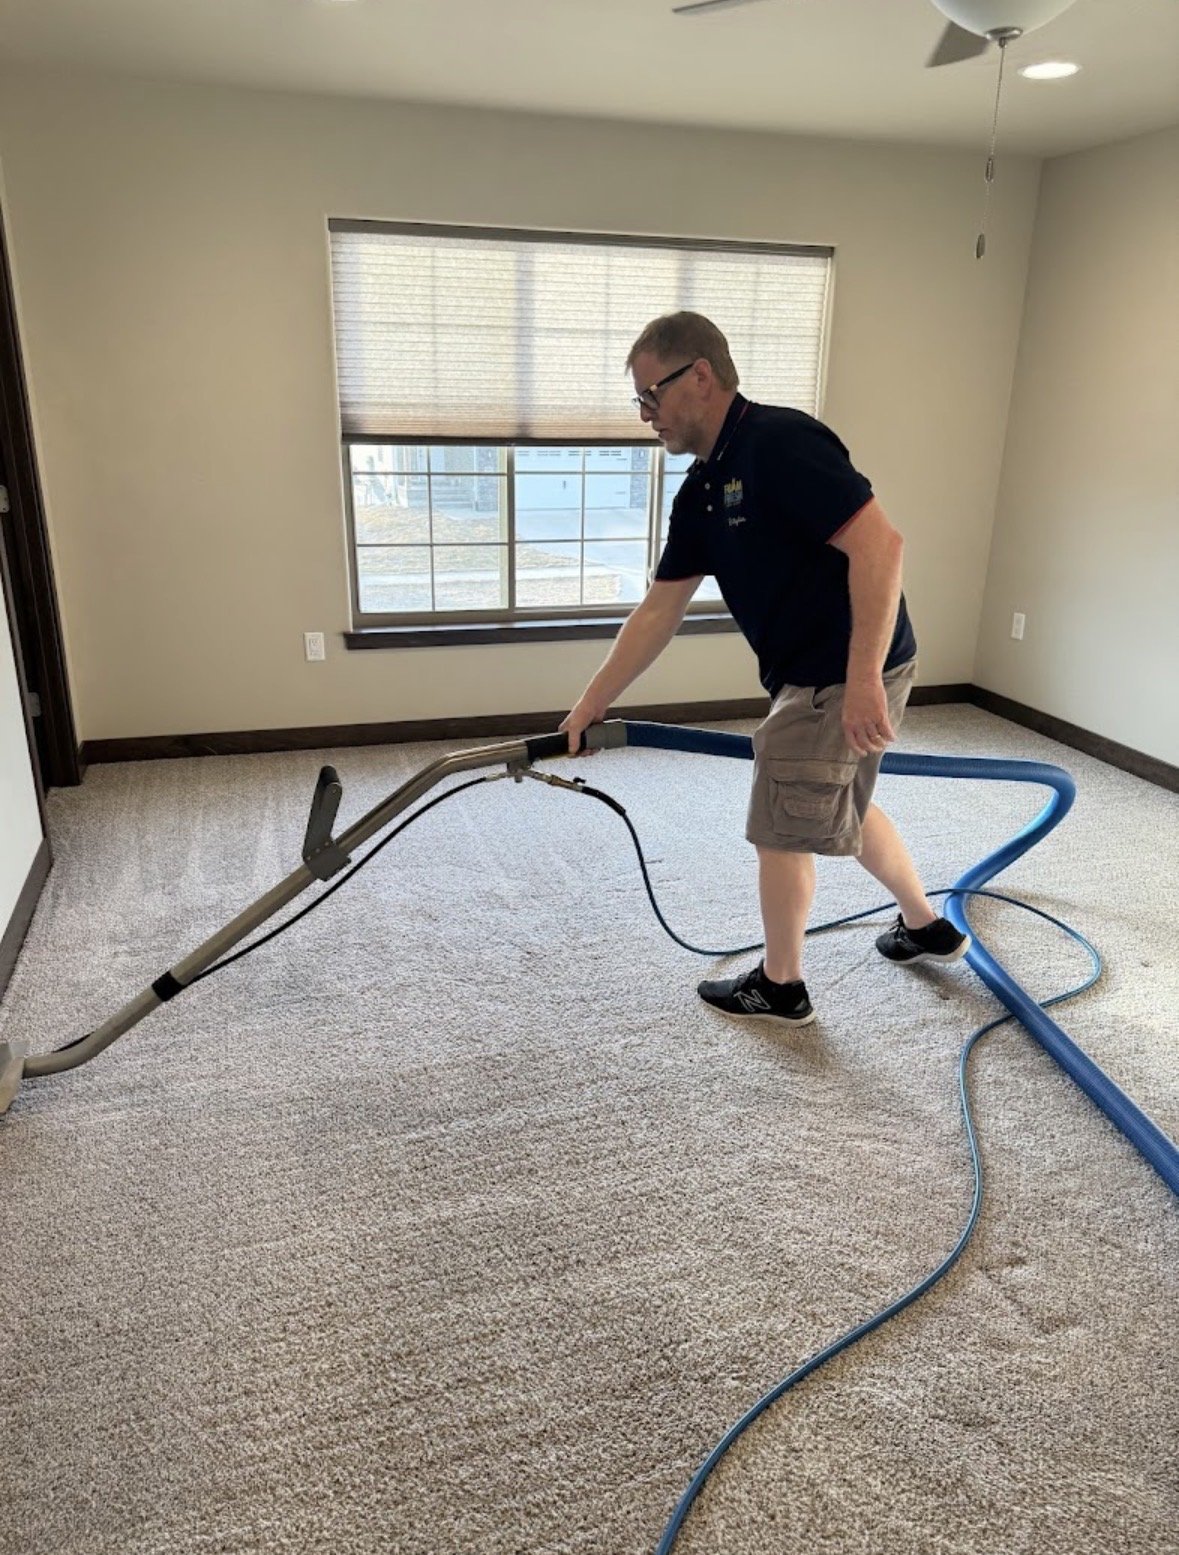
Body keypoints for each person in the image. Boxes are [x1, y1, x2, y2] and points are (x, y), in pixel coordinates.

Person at [559, 311, 970, 1028]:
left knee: (779, 822)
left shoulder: (780, 442)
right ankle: (924, 924)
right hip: (816, 670)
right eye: (639, 402)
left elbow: (880, 547)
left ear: (701, 377)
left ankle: (781, 986)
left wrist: (863, 678)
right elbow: (659, 610)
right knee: (835, 798)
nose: (645, 415)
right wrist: (592, 700)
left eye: (650, 396)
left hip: (840, 669)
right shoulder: (702, 491)